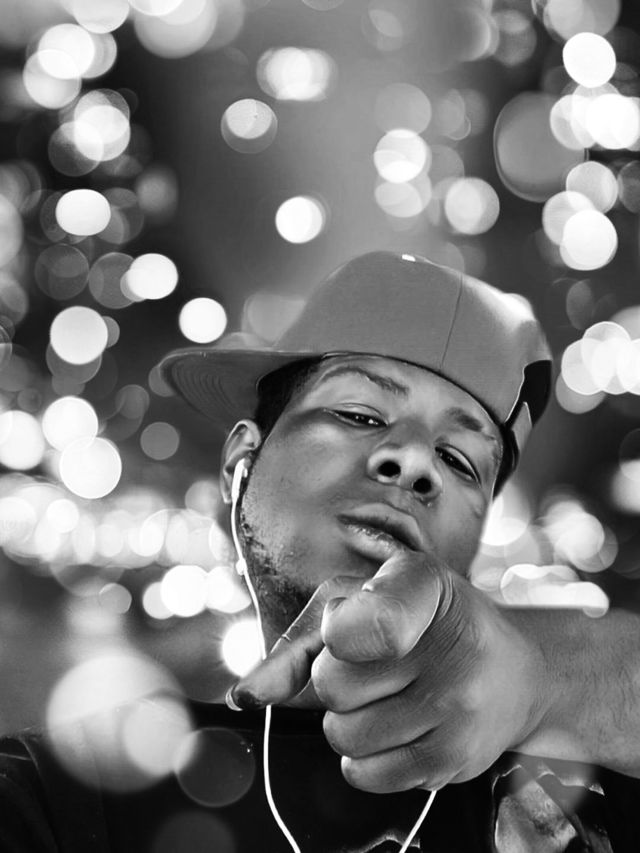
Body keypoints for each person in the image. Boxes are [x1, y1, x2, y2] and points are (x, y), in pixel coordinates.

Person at [1, 250, 640, 852]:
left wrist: (540, 673)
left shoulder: (581, 794)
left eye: (458, 460)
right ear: (241, 459)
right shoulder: (62, 793)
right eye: (361, 414)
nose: (416, 461)